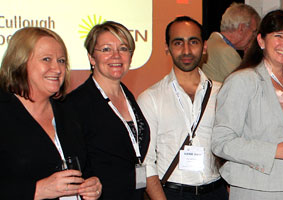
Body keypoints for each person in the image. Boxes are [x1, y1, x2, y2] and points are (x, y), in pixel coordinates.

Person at [212, 10, 283, 199]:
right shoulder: (243, 80)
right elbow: (221, 141)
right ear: (261, 41)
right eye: (278, 36)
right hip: (257, 188)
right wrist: (276, 151)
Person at [0, 27, 102, 200]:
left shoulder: (68, 111)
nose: (57, 68)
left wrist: (93, 184)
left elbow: (84, 169)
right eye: (46, 59)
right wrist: (36, 190)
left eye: (61, 61)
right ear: (20, 62)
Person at [139, 16, 227, 200]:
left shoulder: (222, 92)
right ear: (167, 47)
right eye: (178, 43)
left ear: (204, 47)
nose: (186, 50)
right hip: (172, 193)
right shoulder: (151, 98)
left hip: (216, 192)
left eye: (193, 42)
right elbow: (146, 162)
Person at [64, 21, 150, 200]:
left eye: (123, 48)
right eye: (106, 49)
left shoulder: (128, 96)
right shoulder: (76, 104)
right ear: (91, 57)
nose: (116, 56)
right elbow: (76, 167)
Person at [203, 2, 261, 82]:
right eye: (254, 32)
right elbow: (247, 87)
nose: (254, 37)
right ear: (242, 28)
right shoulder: (227, 52)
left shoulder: (211, 43)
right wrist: (250, 56)